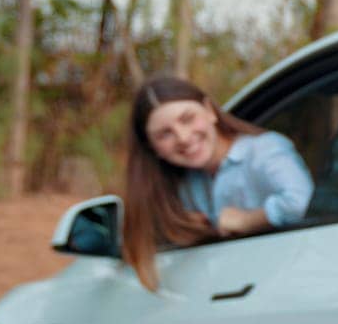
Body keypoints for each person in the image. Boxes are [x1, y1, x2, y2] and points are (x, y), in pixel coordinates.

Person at [122, 74, 313, 291]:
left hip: (294, 283)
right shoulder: (182, 187)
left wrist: (247, 220)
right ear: (151, 148)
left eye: (187, 119)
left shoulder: (264, 151)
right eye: (165, 134)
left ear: (210, 111)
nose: (183, 137)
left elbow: (300, 201)